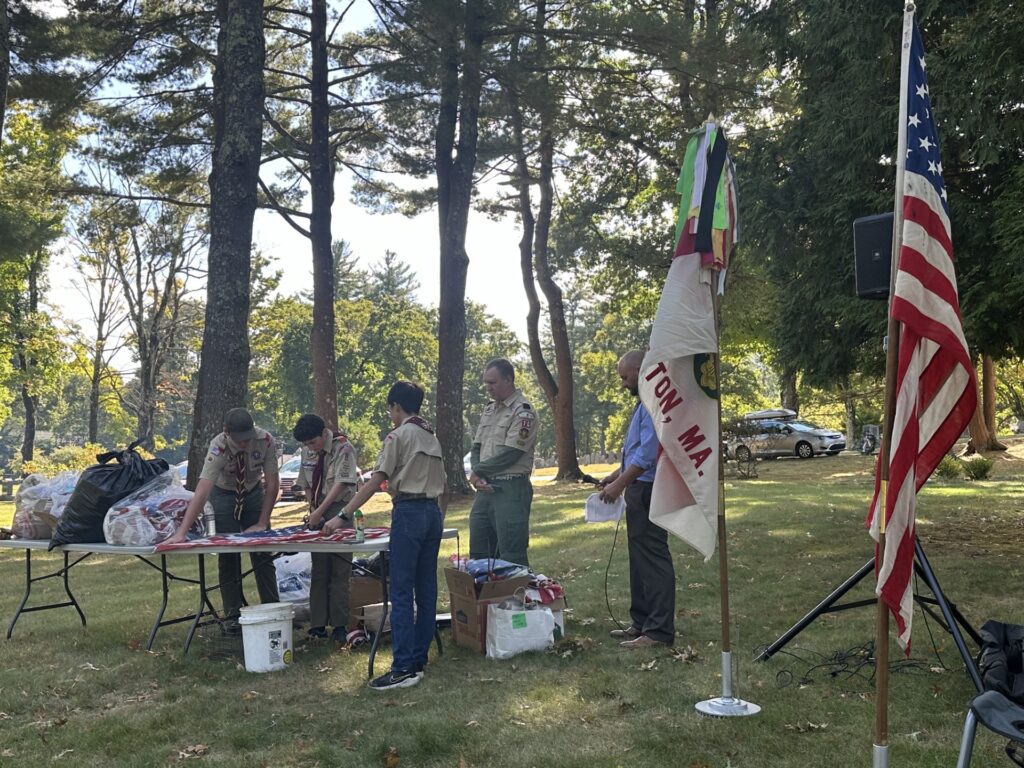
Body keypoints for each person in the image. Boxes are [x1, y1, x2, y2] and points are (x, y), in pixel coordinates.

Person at [324, 381, 447, 691]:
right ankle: (419, 658)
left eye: (390, 410)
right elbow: (443, 483)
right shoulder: (431, 436)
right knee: (427, 588)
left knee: (402, 591)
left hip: (408, 511)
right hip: (433, 513)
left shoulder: (399, 435)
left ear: (396, 407)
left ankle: (404, 666)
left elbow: (376, 479)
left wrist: (343, 514)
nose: (390, 415)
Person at [168, 408, 280, 632]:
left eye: (248, 439)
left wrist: (262, 522)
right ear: (227, 433)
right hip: (224, 493)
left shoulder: (266, 440)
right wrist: (182, 532)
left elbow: (273, 483)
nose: (245, 445)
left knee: (263, 552)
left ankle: (274, 612)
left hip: (253, 492)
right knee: (229, 555)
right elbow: (202, 490)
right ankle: (233, 616)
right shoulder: (218, 445)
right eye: (239, 441)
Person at [599, 351, 675, 648]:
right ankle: (641, 621)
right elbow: (636, 451)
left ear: (640, 371)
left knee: (653, 558)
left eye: (624, 376)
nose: (622, 383)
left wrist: (620, 484)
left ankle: (658, 631)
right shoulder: (643, 403)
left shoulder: (654, 402)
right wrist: (614, 474)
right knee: (639, 559)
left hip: (647, 489)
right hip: (638, 488)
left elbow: (648, 454)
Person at [292, 413, 359, 642]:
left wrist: (321, 511)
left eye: (313, 442)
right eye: (306, 444)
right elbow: (306, 482)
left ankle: (340, 625)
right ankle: (318, 624)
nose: (310, 447)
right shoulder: (307, 449)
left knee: (340, 569)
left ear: (323, 433)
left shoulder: (344, 448)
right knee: (319, 569)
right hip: (317, 511)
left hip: (340, 510)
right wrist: (312, 508)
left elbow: (341, 485)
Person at [468, 358, 538, 566]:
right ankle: (484, 598)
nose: (488, 388)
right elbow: (477, 446)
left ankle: (515, 596)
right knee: (479, 551)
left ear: (509, 380)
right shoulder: (490, 410)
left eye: (493, 383)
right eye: (486, 383)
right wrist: (478, 473)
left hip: (510, 488)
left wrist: (479, 470)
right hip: (485, 488)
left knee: (511, 554)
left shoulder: (523, 411)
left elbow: (512, 452)